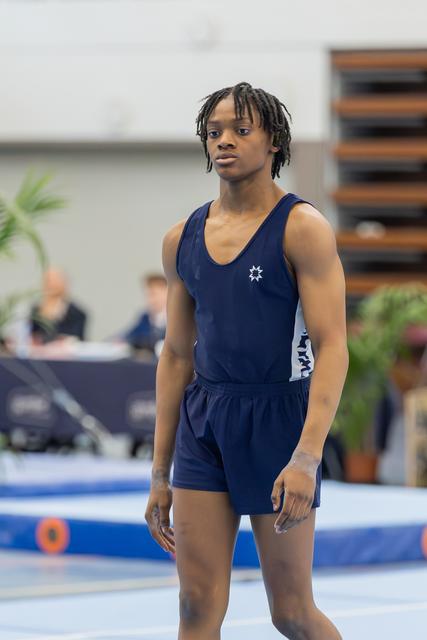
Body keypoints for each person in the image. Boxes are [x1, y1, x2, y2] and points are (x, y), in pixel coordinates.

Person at [145, 82, 348, 639]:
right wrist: (160, 472)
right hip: (203, 420)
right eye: (214, 132)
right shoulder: (181, 238)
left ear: (275, 142)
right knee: (195, 604)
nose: (224, 142)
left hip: (278, 422)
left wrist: (307, 456)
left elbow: (333, 347)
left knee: (291, 613)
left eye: (241, 130)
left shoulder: (302, 229)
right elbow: (176, 356)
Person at [30, 267, 87, 344]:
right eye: (48, 281)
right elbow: (32, 335)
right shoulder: (36, 310)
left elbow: (77, 338)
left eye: (55, 281)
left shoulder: (76, 313)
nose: (51, 285)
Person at [122, 273, 167, 354]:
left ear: (167, 293)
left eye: (154, 294)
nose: (151, 300)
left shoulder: (176, 319)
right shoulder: (145, 318)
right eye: (147, 295)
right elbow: (129, 336)